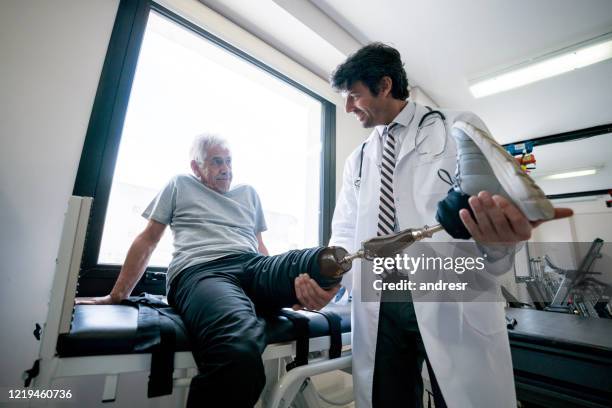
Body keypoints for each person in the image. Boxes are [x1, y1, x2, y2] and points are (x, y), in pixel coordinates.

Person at [328, 43, 572, 408]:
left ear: (383, 85)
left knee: (460, 395)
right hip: (380, 298)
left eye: (354, 96)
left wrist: (500, 241)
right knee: (387, 396)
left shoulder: (459, 126)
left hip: (448, 291)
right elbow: (345, 229)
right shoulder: (358, 159)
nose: (348, 108)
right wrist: (337, 275)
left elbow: (490, 215)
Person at [78, 133, 341, 407]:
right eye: (216, 162)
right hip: (202, 271)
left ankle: (325, 270)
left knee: (319, 260)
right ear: (196, 167)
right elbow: (148, 239)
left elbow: (261, 248)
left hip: (252, 265)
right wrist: (116, 295)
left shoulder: (249, 193)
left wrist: (286, 291)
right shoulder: (180, 184)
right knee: (239, 349)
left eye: (228, 161)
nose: (226, 169)